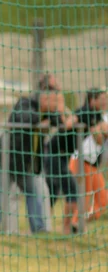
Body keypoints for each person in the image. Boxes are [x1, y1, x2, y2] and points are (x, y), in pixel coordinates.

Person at [0, 77, 64, 234]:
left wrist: (54, 113)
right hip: (7, 160)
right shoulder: (24, 103)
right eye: (52, 102)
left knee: (34, 193)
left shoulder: (48, 113)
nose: (54, 106)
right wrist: (42, 118)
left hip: (25, 164)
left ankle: (39, 228)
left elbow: (60, 122)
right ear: (43, 98)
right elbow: (26, 118)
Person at [43, 91, 79, 234]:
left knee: (53, 192)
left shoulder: (68, 114)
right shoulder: (64, 116)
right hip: (53, 154)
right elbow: (65, 125)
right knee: (71, 190)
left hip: (63, 157)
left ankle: (45, 225)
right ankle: (65, 227)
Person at [69, 120, 108, 226]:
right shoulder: (101, 116)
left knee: (103, 200)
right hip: (81, 160)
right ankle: (75, 223)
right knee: (85, 194)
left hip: (93, 165)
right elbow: (97, 131)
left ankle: (81, 222)